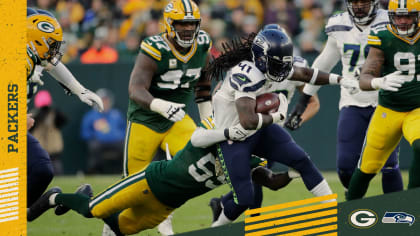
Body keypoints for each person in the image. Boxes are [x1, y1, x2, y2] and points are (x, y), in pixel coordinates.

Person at [25, 118, 292, 235]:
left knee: (122, 228)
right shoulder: (217, 133)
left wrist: (298, 170)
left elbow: (271, 181)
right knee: (92, 211)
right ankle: (53, 198)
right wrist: (227, 134)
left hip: (166, 205)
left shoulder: (253, 160)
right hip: (151, 181)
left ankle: (84, 196)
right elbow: (199, 136)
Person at [207, 26, 355, 226]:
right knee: (244, 198)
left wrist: (341, 80)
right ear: (261, 58)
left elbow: (305, 73)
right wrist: (279, 115)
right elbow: (247, 121)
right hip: (233, 136)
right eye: (277, 64)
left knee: (301, 160)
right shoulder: (246, 74)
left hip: (259, 130)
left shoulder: (273, 65)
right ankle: (217, 227)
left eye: (284, 64)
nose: (283, 70)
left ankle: (333, 213)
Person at [289, 0, 403, 195]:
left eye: (363, 2)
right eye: (355, 2)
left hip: (385, 101)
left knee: (388, 165)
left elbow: (401, 57)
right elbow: (323, 64)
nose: (358, 6)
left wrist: (371, 70)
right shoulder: (339, 25)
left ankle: (397, 213)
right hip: (353, 101)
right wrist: (304, 100)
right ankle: (355, 209)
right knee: (345, 166)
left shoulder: (390, 21)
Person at [124, 1, 212, 233]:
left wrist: (208, 120)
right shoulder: (154, 47)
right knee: (131, 187)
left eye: (192, 24)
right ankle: (112, 227)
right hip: (146, 119)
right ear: (168, 23)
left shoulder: (202, 43)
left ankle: (165, 216)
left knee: (194, 166)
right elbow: (135, 89)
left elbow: (203, 86)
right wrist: (159, 105)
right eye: (181, 23)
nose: (187, 29)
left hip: (177, 119)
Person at [26, 8, 103, 217]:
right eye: (50, 43)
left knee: (42, 170)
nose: (54, 51)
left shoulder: (31, 55)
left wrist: (80, 90)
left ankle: (22, 211)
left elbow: (53, 65)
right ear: (34, 40)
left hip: (12, 127)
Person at [346, 0, 420, 200]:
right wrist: (380, 81)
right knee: (367, 167)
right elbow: (365, 78)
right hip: (390, 109)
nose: (403, 21)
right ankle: (348, 214)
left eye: (408, 16)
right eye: (398, 16)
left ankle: (413, 207)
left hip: (417, 110)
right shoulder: (383, 36)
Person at [81, 88, 126, 174]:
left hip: (116, 142)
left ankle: (124, 171)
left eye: (106, 100)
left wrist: (119, 136)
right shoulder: (90, 116)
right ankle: (95, 171)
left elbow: (124, 129)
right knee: (94, 146)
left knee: (125, 146)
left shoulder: (116, 114)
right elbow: (84, 133)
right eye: (102, 100)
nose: (105, 103)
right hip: (99, 143)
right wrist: (95, 135)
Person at [30, 90, 67, 175]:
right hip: (39, 149)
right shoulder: (34, 115)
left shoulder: (55, 114)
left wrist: (53, 111)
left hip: (53, 149)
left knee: (56, 169)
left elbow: (64, 120)